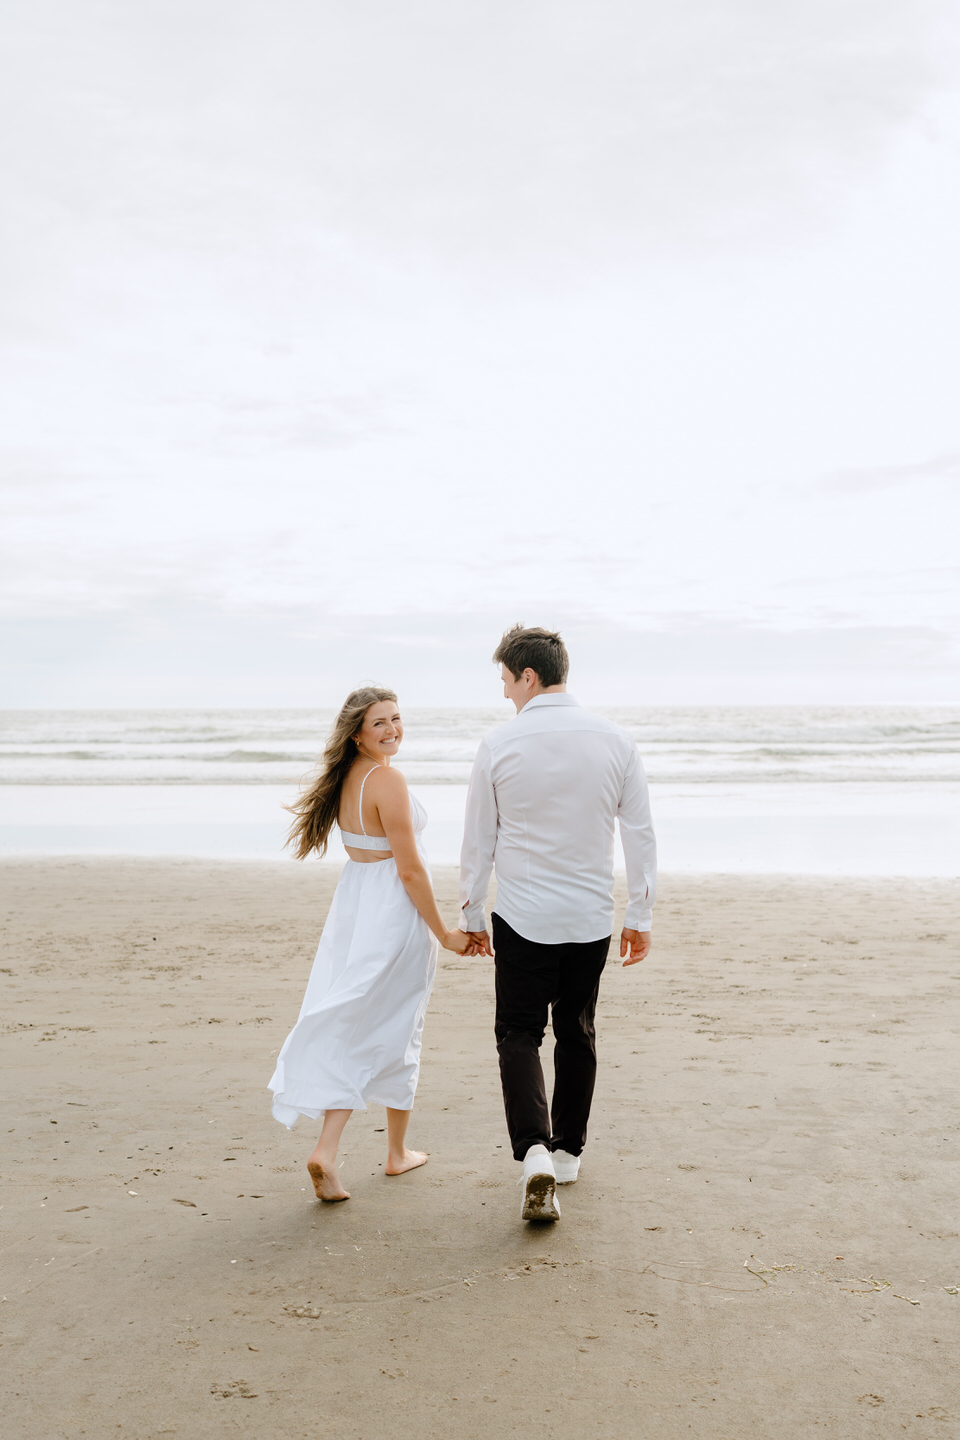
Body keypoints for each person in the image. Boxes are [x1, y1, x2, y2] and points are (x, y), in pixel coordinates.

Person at [459, 626, 657, 1222]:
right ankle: (567, 1153)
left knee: (518, 1035)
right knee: (577, 1031)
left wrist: (471, 915)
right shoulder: (616, 741)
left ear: (528, 675)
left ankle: (534, 1154)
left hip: (521, 916)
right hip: (590, 917)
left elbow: (479, 842)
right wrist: (639, 915)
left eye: (505, 681)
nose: (503, 695)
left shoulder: (499, 745)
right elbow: (639, 835)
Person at [269, 687, 473, 1202]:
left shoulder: (346, 781)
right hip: (394, 914)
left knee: (361, 1021)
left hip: (357, 907)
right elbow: (409, 868)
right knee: (400, 1025)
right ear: (356, 732)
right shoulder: (387, 780)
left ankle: (356, 1149)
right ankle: (387, 1154)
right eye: (379, 723)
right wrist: (444, 932)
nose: (392, 729)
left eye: (397, 718)